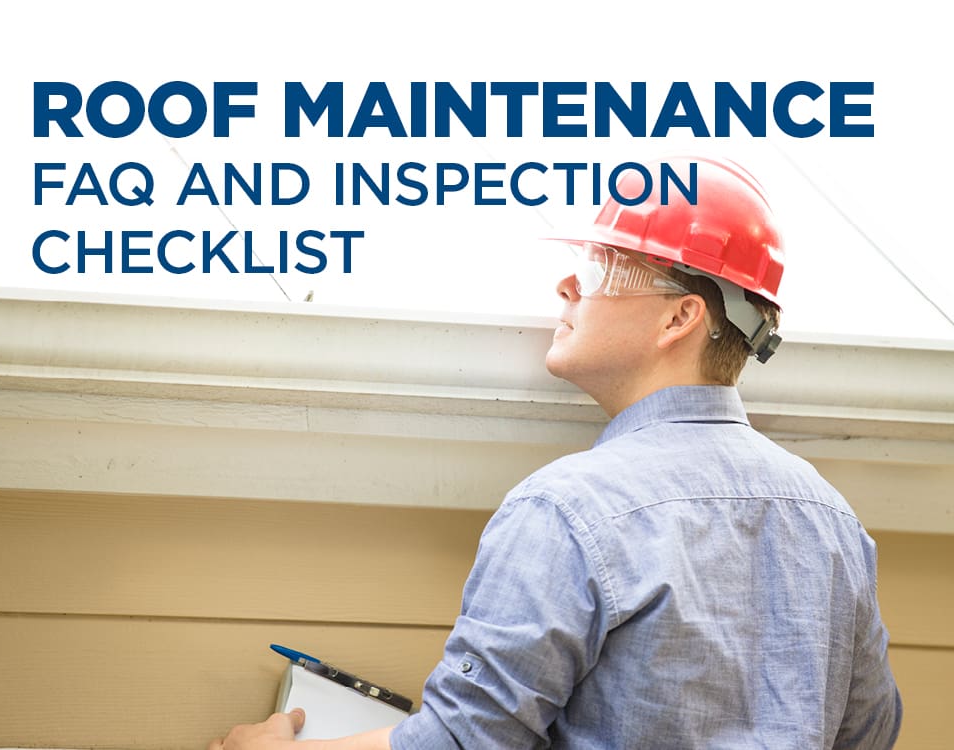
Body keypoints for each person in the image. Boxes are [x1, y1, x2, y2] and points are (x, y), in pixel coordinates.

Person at [210, 156, 902, 749]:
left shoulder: (570, 511)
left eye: (603, 265)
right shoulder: (832, 522)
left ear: (680, 316)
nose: (567, 286)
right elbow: (869, 732)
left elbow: (466, 741)